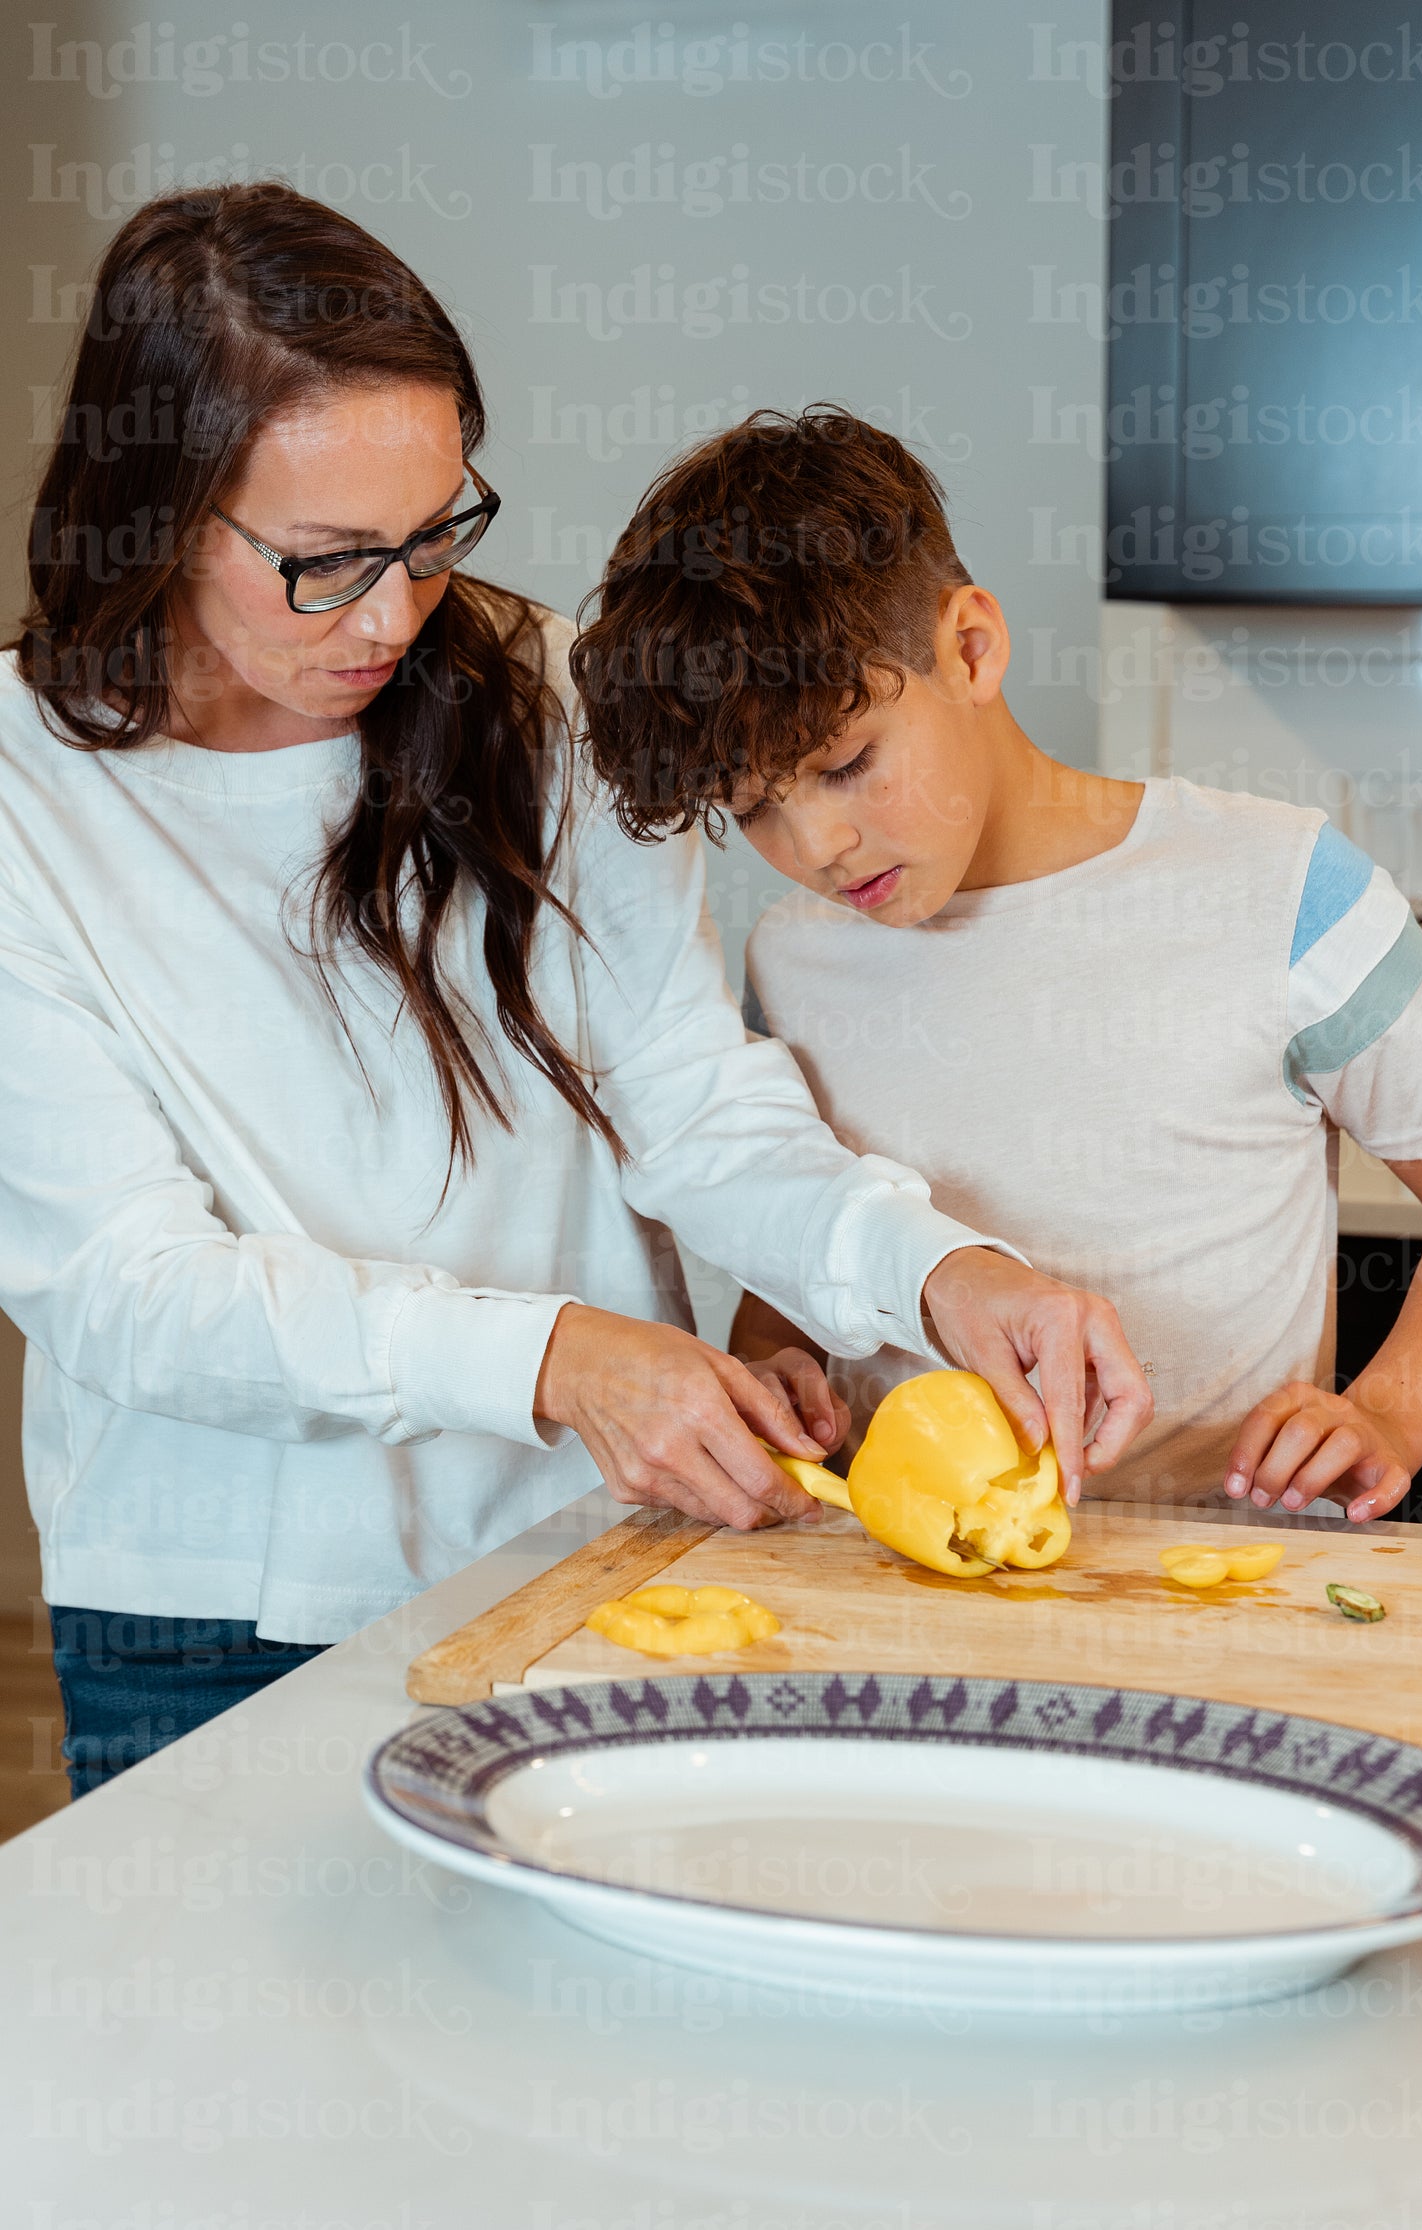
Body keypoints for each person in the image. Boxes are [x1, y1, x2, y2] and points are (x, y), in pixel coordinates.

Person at [0, 197, 1150, 1792]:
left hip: (587, 1555)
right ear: (158, 511)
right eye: (326, 564)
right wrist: (562, 1360)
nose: (398, 617)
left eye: (432, 534)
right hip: (200, 1618)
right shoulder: (22, 795)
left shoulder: (537, 695)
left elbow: (687, 1101)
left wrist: (938, 1269)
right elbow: (131, 1289)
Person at [570, 406, 1422, 1526]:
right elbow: (806, 1258)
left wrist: (1392, 1413)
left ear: (971, 647)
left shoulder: (1285, 889)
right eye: (754, 809)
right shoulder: (794, 956)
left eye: (847, 764)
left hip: (1232, 1580)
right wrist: (782, 1368)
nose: (816, 848)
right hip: (913, 1578)